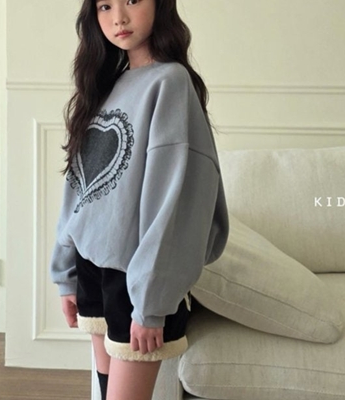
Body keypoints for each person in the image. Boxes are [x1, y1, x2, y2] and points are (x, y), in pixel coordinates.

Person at [49, 0, 229, 399]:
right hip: (92, 268)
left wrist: (152, 302)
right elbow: (79, 188)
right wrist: (66, 274)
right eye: (105, 6)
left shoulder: (170, 82)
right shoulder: (106, 84)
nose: (119, 18)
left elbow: (175, 201)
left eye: (132, 0)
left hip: (136, 278)